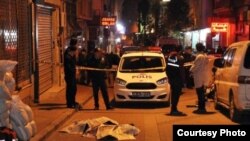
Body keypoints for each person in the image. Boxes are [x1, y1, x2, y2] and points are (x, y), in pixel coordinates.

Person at [166, 45, 185, 116]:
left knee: (175, 95)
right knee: (175, 95)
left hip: (173, 78)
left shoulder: (172, 57)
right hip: (176, 79)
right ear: (179, 51)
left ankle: (174, 109)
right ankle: (173, 110)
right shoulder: (175, 57)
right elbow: (178, 69)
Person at [190, 43, 209, 114]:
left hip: (199, 76)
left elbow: (195, 66)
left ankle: (201, 108)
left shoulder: (199, 57)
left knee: (200, 93)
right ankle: (202, 107)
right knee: (202, 93)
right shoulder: (205, 56)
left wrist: (190, 70)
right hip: (204, 76)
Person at [64, 38, 78, 108]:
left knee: (74, 89)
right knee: (70, 89)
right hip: (69, 75)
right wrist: (74, 69)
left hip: (72, 75)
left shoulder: (71, 56)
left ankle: (72, 101)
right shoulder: (68, 56)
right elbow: (69, 67)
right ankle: (69, 103)